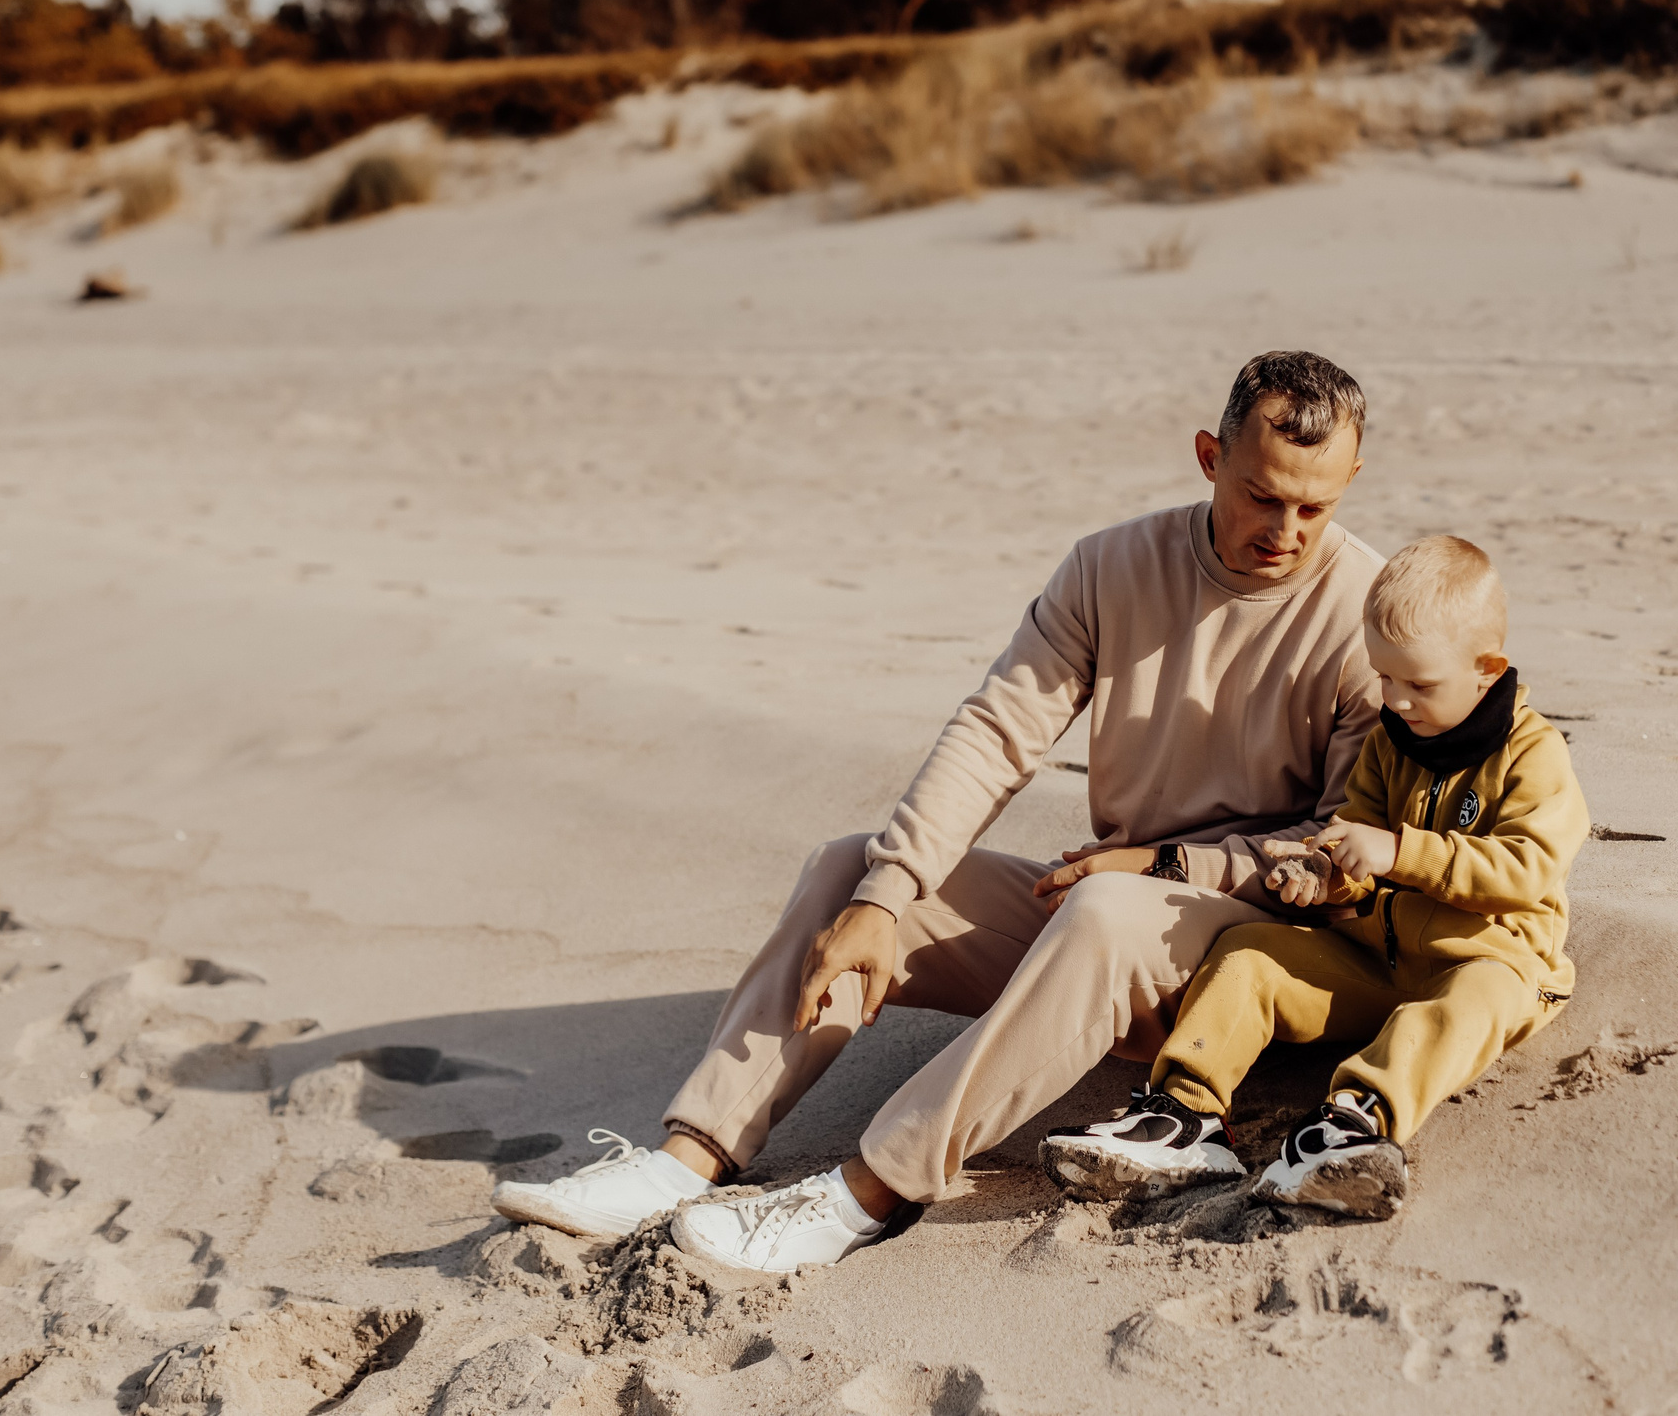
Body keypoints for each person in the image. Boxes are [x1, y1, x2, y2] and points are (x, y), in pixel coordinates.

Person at [490, 351, 1386, 1270]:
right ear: (1209, 456)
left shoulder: (1368, 613)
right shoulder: (1110, 566)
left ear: (1352, 478)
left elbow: (1334, 854)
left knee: (1104, 907)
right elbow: (997, 731)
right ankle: (688, 1159)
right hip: (1097, 929)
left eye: (1314, 507)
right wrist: (886, 894)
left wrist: (1161, 865)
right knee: (850, 870)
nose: (1285, 530)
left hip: (1247, 961)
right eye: (1261, 495)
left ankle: (865, 1193)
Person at [1039, 534, 1588, 1221]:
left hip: (1492, 960)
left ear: (1487, 670)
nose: (1397, 701)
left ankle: (1354, 1126)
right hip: (1379, 960)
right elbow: (1352, 847)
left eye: (1420, 684)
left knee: (1464, 1003)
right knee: (1249, 953)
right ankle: (1184, 1117)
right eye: (1384, 678)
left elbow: (1527, 869)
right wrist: (1324, 875)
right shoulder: (1388, 744)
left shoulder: (1533, 753)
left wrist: (1399, 851)